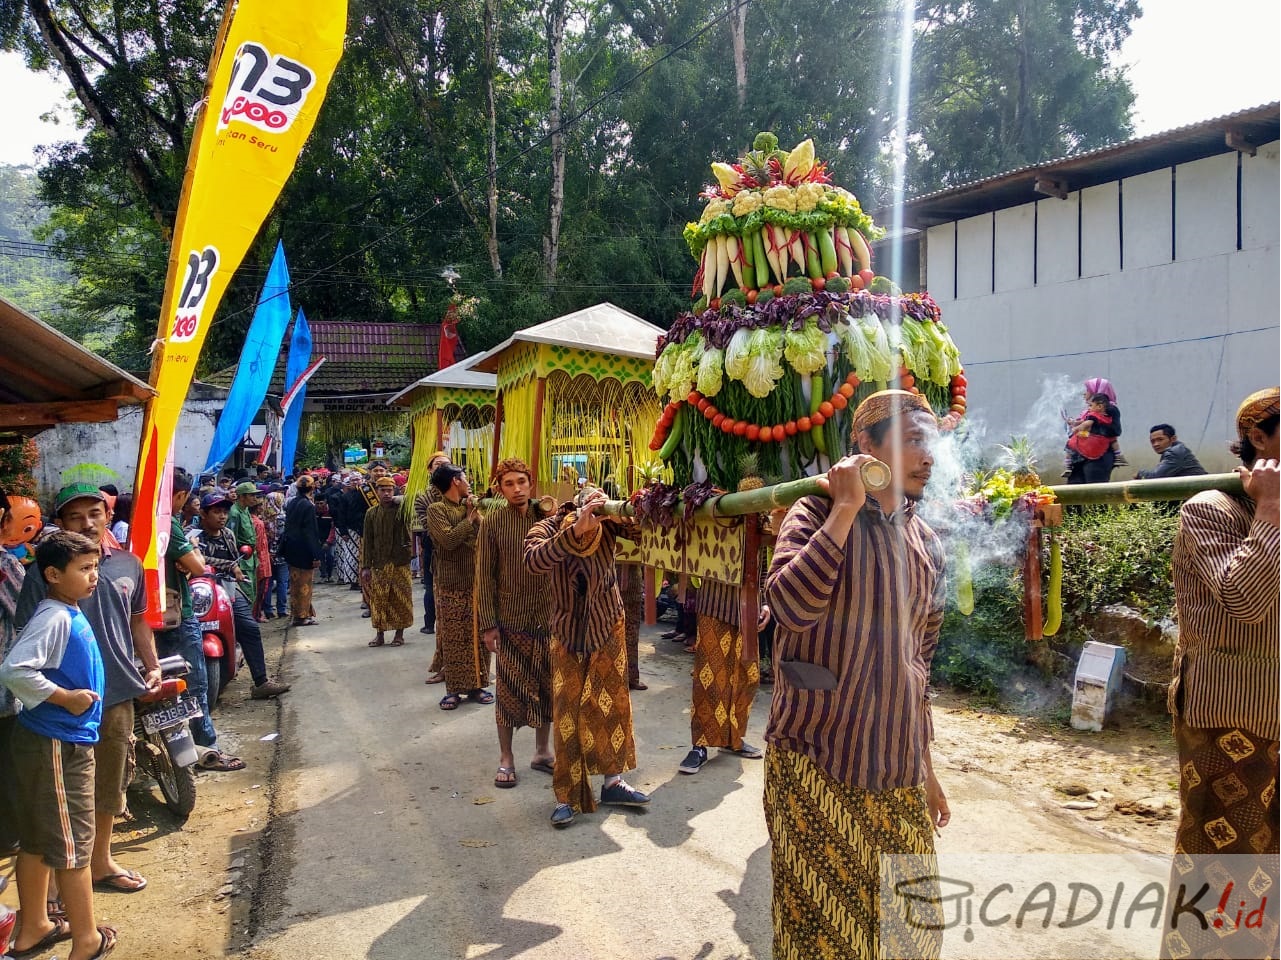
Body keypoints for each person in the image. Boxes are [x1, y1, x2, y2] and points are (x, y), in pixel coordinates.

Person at [763, 389, 949, 959]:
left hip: (897, 768)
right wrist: (844, 509)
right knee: (821, 938)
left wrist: (926, 764)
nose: (927, 456)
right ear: (864, 448)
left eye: (931, 442)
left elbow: (920, 664)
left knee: (913, 936)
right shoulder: (815, 511)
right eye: (913, 440)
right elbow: (789, 609)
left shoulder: (928, 544)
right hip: (817, 761)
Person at [1160, 387, 1278, 960]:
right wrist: (1272, 513)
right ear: (1260, 439)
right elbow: (1244, 600)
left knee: (1267, 871)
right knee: (1220, 862)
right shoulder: (1212, 507)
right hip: (1229, 721)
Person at [16, 483, 162, 897]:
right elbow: (26, 638)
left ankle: (100, 862)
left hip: (114, 692)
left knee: (109, 784)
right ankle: (55, 890)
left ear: (108, 515)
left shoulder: (129, 565)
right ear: (60, 524)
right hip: (62, 705)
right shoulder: (42, 575)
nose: (88, 523)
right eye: (76, 516)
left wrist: (151, 667)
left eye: (95, 513)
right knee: (60, 795)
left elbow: (139, 621)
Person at [0, 530, 119, 960]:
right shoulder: (54, 617)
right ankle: (86, 940)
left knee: (37, 839)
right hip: (57, 745)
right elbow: (15, 671)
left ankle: (34, 926)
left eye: (96, 568)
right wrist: (66, 698)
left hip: (49, 741)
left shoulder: (63, 610)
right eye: (85, 570)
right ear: (52, 574)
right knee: (73, 845)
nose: (94, 578)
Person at [524, 486, 650, 828]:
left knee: (613, 703)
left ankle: (613, 782)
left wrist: (622, 506)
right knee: (568, 710)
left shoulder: (609, 524)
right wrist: (575, 531)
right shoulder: (548, 527)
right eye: (586, 504)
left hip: (608, 624)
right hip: (567, 632)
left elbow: (642, 529)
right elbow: (533, 561)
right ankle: (566, 795)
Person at [475, 458, 556, 789]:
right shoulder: (493, 521)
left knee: (547, 687)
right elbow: (485, 577)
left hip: (548, 617)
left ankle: (542, 751)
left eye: (521, 481)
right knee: (508, 692)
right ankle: (506, 757)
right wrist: (488, 624)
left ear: (531, 482)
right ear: (500, 488)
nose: (517, 489)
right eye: (509, 484)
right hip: (510, 620)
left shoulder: (547, 515)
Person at [156, 469, 243, 772]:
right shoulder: (167, 524)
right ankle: (208, 749)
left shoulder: (141, 523)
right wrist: (192, 556)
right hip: (178, 615)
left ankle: (181, 753)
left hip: (147, 618)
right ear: (179, 495)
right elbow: (197, 565)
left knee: (165, 688)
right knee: (194, 687)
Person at [189, 491, 290, 701]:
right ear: (203, 513)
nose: (222, 516)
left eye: (224, 512)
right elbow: (193, 557)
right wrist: (228, 566)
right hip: (198, 592)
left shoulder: (228, 535)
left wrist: (232, 569)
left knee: (250, 628)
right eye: (216, 512)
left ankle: (261, 681)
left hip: (227, 589)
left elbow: (236, 561)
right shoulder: (192, 534)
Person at [676, 576, 767, 775]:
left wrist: (766, 602)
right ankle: (699, 746)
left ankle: (732, 738)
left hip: (749, 605)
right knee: (709, 678)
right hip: (713, 603)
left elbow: (768, 555)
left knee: (747, 676)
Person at [425, 464, 492, 708]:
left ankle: (478, 686)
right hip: (451, 583)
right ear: (455, 481)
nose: (468, 482)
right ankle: (453, 689)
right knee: (453, 638)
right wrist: (469, 519)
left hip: (476, 581)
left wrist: (477, 517)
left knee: (478, 634)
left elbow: (486, 536)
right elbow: (449, 540)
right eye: (465, 478)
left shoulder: (470, 506)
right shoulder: (437, 509)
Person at [359, 476, 414, 648]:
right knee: (379, 600)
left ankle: (399, 634)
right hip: (379, 564)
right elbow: (367, 541)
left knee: (401, 599)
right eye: (383, 490)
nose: (386, 494)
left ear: (394, 491)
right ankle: (379, 634)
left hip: (400, 562)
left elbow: (414, 502)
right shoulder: (371, 513)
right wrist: (365, 566)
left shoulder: (402, 510)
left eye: (390, 490)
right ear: (376, 492)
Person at [413, 452, 451, 648]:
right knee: (431, 586)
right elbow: (430, 527)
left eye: (446, 464)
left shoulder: (460, 491)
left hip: (459, 552)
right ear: (430, 469)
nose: (442, 467)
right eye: (438, 464)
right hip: (434, 546)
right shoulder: (423, 497)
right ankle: (430, 622)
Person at [280, 476, 323, 627]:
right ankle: (301, 616)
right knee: (304, 585)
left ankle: (299, 613)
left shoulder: (292, 503)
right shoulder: (308, 506)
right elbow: (310, 532)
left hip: (291, 548)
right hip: (304, 549)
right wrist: (316, 554)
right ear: (312, 488)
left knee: (295, 584)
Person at [1065, 377, 1122, 483]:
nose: (1085, 393)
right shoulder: (1089, 411)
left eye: (1087, 390)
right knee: (1074, 489)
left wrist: (1091, 426)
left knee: (1094, 490)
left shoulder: (1109, 409)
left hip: (1099, 456)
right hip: (1080, 454)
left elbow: (1115, 431)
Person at [227, 482, 262, 607]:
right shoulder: (234, 513)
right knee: (246, 595)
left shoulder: (245, 510)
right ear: (241, 497)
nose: (254, 498)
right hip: (241, 560)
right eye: (251, 495)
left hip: (250, 559)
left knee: (252, 593)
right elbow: (231, 539)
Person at [1135, 424, 1208, 479]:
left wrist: (1139, 474)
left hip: (1201, 495)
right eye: (1152, 441)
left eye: (1160, 439)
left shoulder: (1174, 453)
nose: (1155, 444)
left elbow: (1157, 477)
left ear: (1173, 439)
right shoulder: (1178, 450)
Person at [1064, 393, 1115, 463]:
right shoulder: (1107, 417)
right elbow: (1084, 421)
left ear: (1099, 406)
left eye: (1090, 405)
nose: (1088, 408)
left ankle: (1068, 464)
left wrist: (1076, 428)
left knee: (1072, 441)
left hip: (1091, 439)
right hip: (1102, 443)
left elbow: (1086, 423)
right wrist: (1075, 422)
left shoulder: (1093, 416)